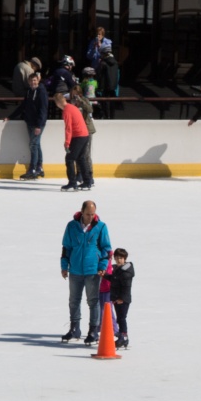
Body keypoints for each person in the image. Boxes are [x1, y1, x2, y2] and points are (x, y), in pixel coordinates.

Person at [59, 199, 111, 343]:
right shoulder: (71, 226)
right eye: (88, 214)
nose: (90, 217)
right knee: (74, 301)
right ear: (82, 212)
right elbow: (66, 248)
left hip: (92, 271)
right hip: (75, 270)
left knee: (93, 301)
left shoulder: (101, 227)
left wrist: (102, 267)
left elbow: (106, 249)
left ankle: (93, 330)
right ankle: (74, 328)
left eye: (93, 214)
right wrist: (64, 266)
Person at [16, 70, 49, 180]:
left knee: (33, 145)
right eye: (31, 81)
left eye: (34, 80)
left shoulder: (42, 91)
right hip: (30, 122)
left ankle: (32, 169)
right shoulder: (29, 91)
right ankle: (39, 167)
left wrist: (39, 125)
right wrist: (10, 116)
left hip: (37, 123)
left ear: (38, 80)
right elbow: (23, 106)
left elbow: (43, 110)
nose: (33, 83)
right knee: (36, 145)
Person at [60, 90, 94, 191]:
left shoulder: (67, 110)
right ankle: (87, 182)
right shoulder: (72, 107)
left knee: (70, 159)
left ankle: (72, 183)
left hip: (79, 136)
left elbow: (68, 128)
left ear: (58, 103)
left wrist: (67, 143)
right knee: (81, 158)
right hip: (84, 134)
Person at [107, 246, 133, 348]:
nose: (118, 260)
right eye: (116, 258)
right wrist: (104, 275)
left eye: (120, 258)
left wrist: (122, 298)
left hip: (123, 300)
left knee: (122, 318)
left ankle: (124, 337)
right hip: (117, 299)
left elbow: (126, 287)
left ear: (124, 259)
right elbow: (113, 279)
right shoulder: (118, 269)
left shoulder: (125, 272)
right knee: (120, 318)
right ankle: (123, 337)